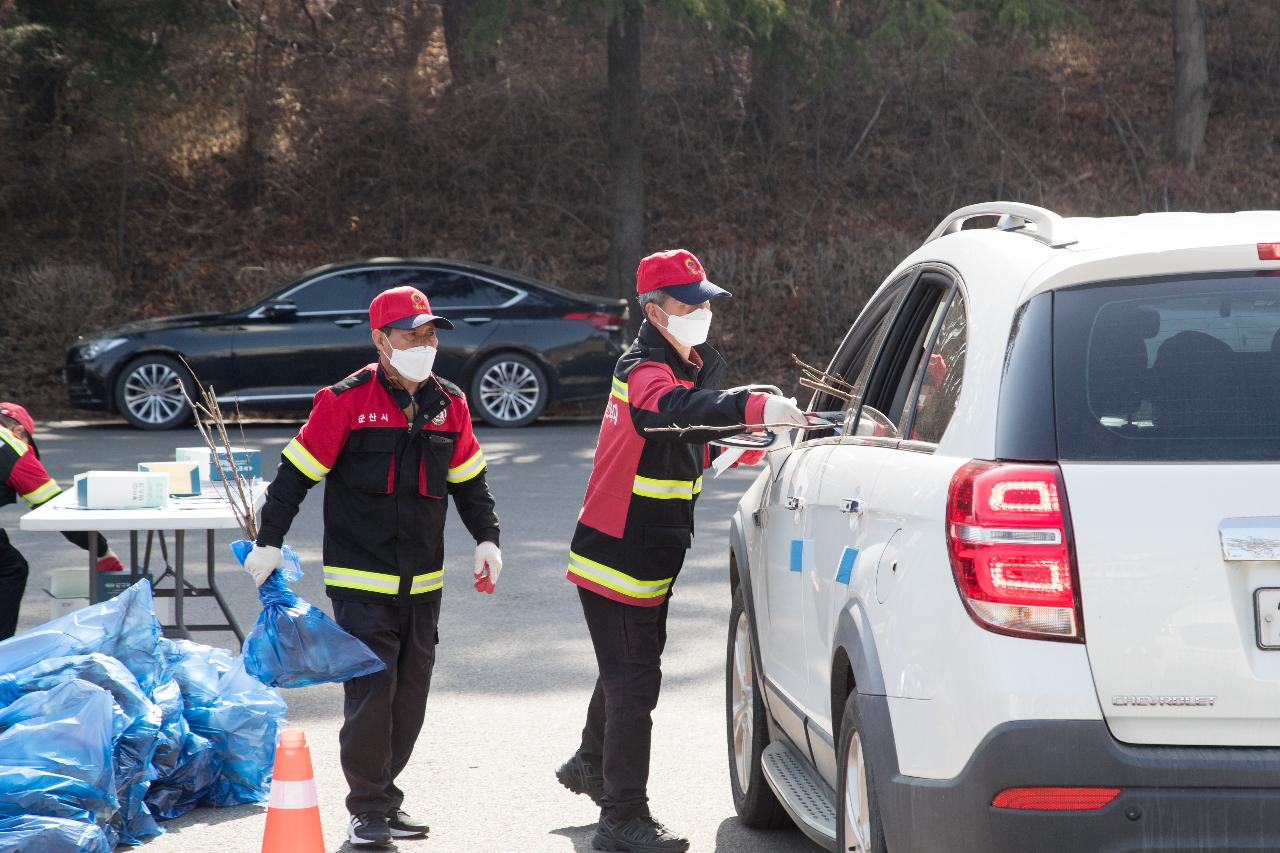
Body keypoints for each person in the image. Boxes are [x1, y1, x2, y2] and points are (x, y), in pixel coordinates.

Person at [555, 250, 807, 852]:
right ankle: (622, 817)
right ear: (653, 310)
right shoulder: (644, 367)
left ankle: (591, 763)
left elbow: (678, 444)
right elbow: (668, 412)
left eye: (704, 301)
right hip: (617, 554)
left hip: (647, 551)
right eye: (687, 302)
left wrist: (736, 442)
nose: (701, 311)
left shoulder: (685, 365)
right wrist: (751, 406)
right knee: (635, 682)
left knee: (625, 670)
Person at [243, 286, 503, 847]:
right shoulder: (345, 400)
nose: (426, 343)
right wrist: (268, 542)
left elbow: (470, 481)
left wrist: (487, 538)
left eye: (432, 333)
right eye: (413, 333)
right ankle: (367, 809)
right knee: (372, 690)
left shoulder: (449, 402)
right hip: (360, 580)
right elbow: (294, 477)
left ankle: (384, 796)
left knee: (410, 695)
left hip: (424, 581)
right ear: (381, 340)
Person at [0, 401, 124, 640]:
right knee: (11, 569)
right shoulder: (13, 447)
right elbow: (53, 509)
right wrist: (102, 550)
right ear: (19, 432)